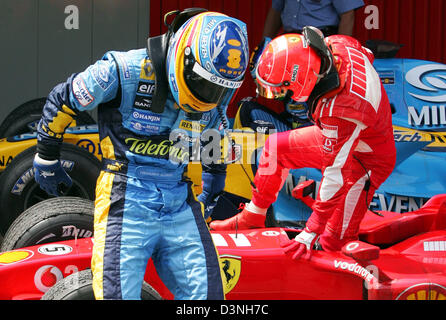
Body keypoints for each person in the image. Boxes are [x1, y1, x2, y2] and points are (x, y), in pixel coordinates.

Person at [32, 9, 249, 300]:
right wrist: (46, 155)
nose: (210, 94)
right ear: (183, 56)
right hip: (125, 195)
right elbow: (65, 97)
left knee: (209, 298)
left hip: (179, 198)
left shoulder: (217, 98)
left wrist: (211, 190)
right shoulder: (123, 70)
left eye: (219, 88)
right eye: (205, 84)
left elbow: (213, 140)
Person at [211, 27, 396, 259]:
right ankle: (254, 215)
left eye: (284, 87)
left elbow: (335, 174)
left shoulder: (343, 110)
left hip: (367, 159)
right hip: (350, 135)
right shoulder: (337, 44)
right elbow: (366, 54)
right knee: (275, 147)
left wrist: (310, 232)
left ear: (301, 76)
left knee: (333, 241)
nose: (282, 94)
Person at [263, 0, 364, 38]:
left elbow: (347, 15)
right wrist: (265, 45)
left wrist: (341, 52)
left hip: (320, 42)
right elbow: (275, 12)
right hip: (290, 42)